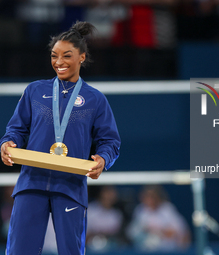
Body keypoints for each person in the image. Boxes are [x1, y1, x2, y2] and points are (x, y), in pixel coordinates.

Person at [0, 21, 121, 255]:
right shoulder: (35, 91)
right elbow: (16, 129)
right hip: (32, 181)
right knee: (18, 251)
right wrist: (7, 144)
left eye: (67, 55)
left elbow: (110, 141)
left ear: (82, 57)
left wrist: (103, 159)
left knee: (71, 251)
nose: (59, 62)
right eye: (54, 56)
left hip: (70, 184)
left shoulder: (95, 99)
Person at [127, 185, 191, 252]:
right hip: (145, 251)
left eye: (152, 196)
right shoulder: (140, 210)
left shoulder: (167, 209)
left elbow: (182, 231)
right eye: (146, 196)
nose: (149, 199)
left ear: (158, 196)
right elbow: (133, 232)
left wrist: (159, 232)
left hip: (168, 251)